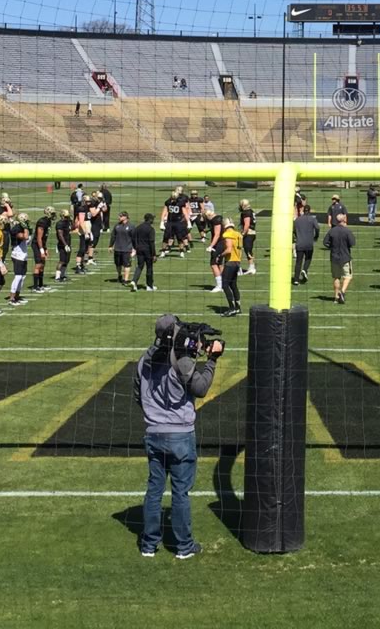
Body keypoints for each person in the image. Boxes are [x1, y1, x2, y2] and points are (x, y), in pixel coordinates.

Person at [135, 313, 224, 558]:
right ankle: (183, 546)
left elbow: (137, 395)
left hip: (153, 433)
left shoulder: (144, 360)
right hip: (180, 435)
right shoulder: (181, 361)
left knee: (154, 489)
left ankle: (148, 544)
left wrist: (155, 416)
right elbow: (201, 388)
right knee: (180, 492)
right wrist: (212, 360)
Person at [324, 211, 355, 305]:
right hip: (345, 257)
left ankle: (336, 297)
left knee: (336, 277)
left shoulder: (332, 231)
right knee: (348, 276)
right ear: (344, 220)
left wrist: (332, 247)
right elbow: (352, 243)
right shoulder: (347, 231)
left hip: (334, 257)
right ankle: (342, 291)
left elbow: (325, 242)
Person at [218, 218, 244, 316]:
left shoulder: (227, 234)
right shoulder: (238, 235)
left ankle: (232, 308)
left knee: (225, 285)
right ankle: (238, 307)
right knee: (233, 285)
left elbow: (228, 250)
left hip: (230, 262)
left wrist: (220, 255)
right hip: (237, 261)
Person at [291, 200, 318, 284]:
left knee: (298, 261)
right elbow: (317, 228)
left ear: (303, 210)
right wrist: (316, 236)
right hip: (309, 243)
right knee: (308, 258)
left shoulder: (297, 220)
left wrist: (296, 236)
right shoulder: (312, 219)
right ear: (309, 211)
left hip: (300, 243)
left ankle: (296, 279)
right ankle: (305, 269)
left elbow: (293, 230)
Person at [132, 212, 157, 292]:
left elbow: (133, 238)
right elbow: (151, 242)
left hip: (139, 250)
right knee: (149, 268)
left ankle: (134, 281)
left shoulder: (138, 227)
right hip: (148, 251)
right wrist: (154, 254)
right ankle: (149, 286)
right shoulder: (151, 229)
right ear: (150, 220)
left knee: (139, 266)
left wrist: (136, 247)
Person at [239, 200, 257, 275]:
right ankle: (251, 267)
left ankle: (252, 267)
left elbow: (247, 224)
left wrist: (243, 233)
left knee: (248, 250)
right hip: (252, 232)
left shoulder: (246, 212)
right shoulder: (251, 211)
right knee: (248, 250)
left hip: (249, 233)